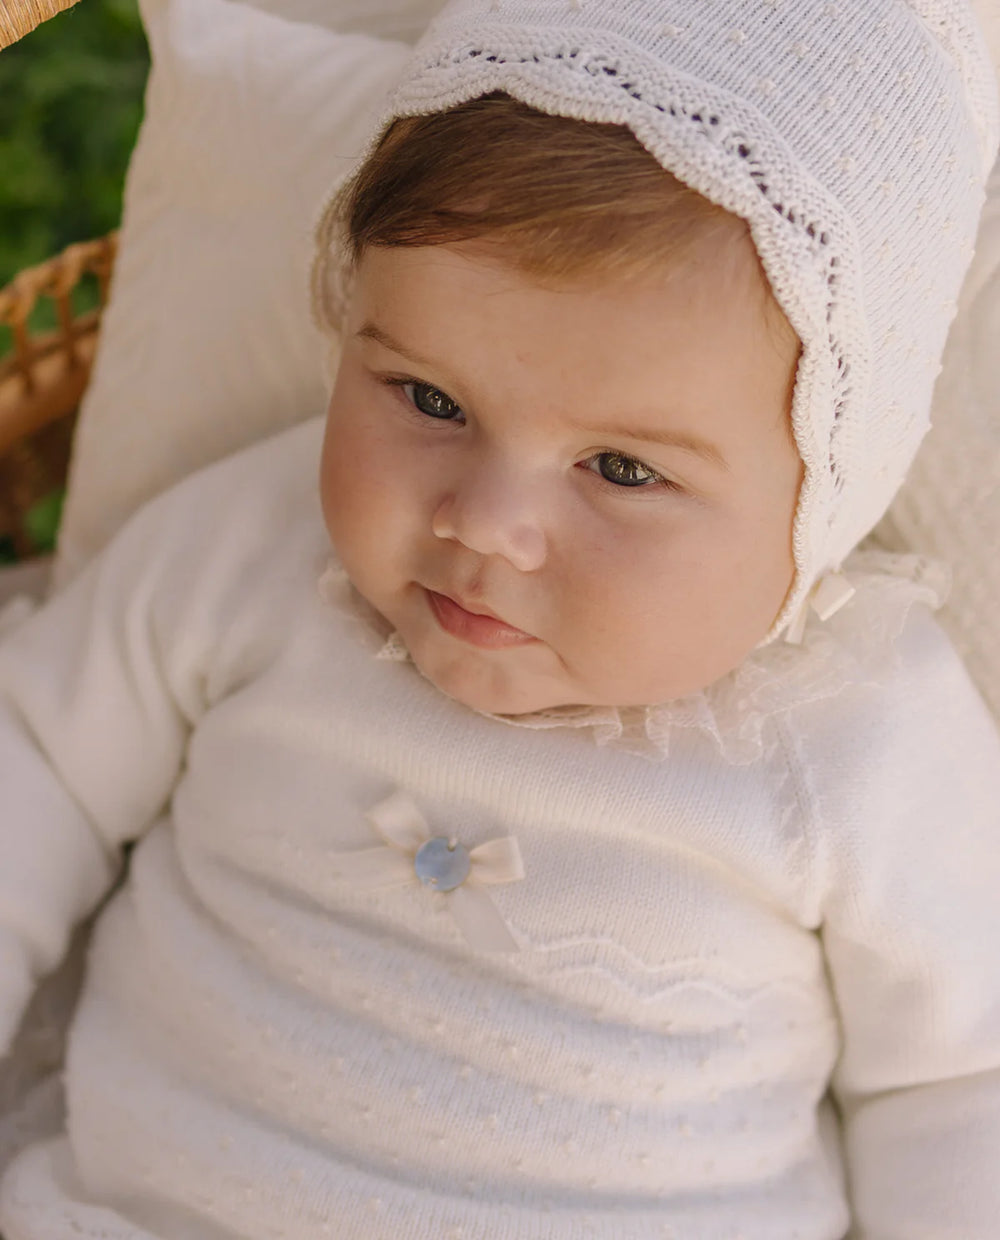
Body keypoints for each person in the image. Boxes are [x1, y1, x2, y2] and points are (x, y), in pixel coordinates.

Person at [0, 0, 998, 1236]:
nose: (483, 523)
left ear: (817, 505)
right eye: (426, 395)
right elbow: (36, 755)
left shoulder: (858, 730)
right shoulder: (256, 548)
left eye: (622, 472)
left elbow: (958, 1084)